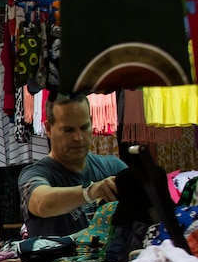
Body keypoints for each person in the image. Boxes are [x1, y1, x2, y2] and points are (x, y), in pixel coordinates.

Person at [18, 93, 127, 237]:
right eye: (68, 130)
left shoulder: (113, 167)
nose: (78, 137)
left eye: (84, 127)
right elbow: (41, 203)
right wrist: (91, 191)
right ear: (48, 129)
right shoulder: (34, 174)